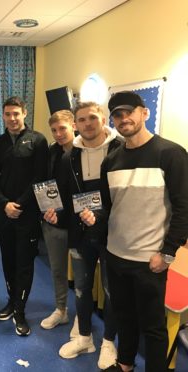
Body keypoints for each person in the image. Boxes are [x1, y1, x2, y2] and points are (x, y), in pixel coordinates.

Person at [98, 91, 188, 372]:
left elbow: (184, 207)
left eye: (129, 112)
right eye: (117, 115)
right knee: (124, 317)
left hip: (151, 260)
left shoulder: (171, 153)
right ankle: (125, 364)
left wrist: (168, 253)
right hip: (116, 254)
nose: (123, 119)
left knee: (153, 327)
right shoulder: (110, 160)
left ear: (144, 113)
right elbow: (108, 207)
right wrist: (93, 217)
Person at [44, 101, 120, 370]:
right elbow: (67, 198)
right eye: (82, 120)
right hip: (80, 233)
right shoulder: (69, 157)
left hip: (115, 234)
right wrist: (56, 215)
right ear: (76, 124)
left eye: (92, 118)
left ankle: (109, 342)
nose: (88, 124)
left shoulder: (121, 150)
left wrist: (100, 216)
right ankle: (85, 337)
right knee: (82, 288)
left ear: (102, 119)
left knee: (112, 290)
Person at [0, 96, 49, 336]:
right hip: (3, 214)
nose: (12, 118)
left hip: (27, 214)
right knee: (7, 260)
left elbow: (40, 177)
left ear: (24, 113)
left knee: (24, 263)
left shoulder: (38, 140)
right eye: (8, 114)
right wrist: (4, 204)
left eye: (16, 114)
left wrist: (19, 204)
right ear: (3, 116)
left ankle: (21, 311)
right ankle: (11, 303)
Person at [39, 110, 75, 330]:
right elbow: (45, 185)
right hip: (53, 220)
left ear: (73, 126)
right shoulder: (52, 152)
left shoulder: (85, 151)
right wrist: (47, 210)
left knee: (82, 276)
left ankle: (84, 316)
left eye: (62, 128)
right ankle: (61, 310)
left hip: (80, 222)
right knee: (57, 270)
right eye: (54, 130)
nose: (58, 134)